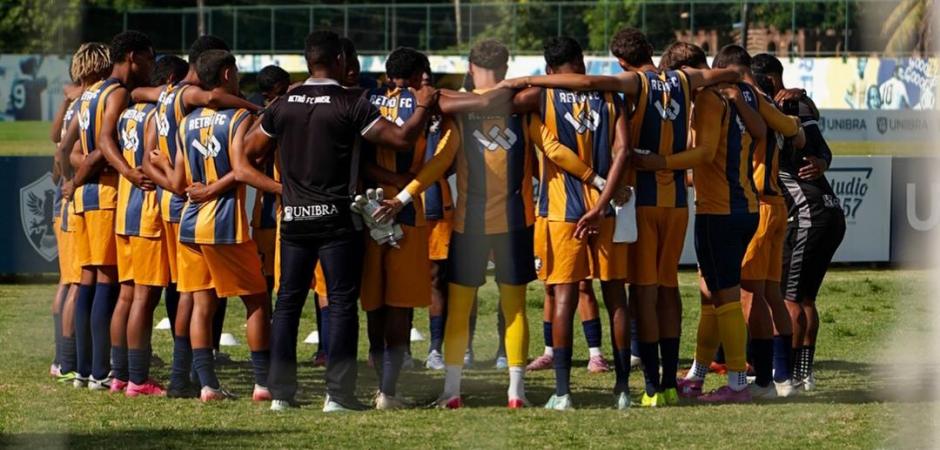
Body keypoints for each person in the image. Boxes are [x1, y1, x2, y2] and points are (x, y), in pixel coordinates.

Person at [499, 28, 739, 407]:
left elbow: (577, 91)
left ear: (622, 61)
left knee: (616, 292)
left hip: (613, 203)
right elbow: (722, 75)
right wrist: (737, 82)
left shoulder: (621, 85)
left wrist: (526, 79)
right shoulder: (675, 80)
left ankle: (634, 388)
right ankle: (649, 385)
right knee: (657, 289)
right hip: (666, 201)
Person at [238, 31, 437, 412]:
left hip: (294, 218)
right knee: (343, 304)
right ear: (343, 60)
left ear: (308, 60)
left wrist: (281, 189)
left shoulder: (282, 104)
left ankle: (281, 394)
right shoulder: (352, 101)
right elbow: (399, 138)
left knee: (288, 304)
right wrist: (424, 105)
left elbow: (246, 153)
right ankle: (338, 397)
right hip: (336, 218)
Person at [377, 39, 541, 409]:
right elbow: (553, 151)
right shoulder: (523, 108)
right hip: (517, 223)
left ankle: (452, 392)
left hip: (470, 225)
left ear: (470, 68)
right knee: (515, 306)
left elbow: (438, 164)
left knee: (460, 307)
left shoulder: (459, 110)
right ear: (506, 64)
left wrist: (403, 196)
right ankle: (517, 393)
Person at [136, 35, 260, 398]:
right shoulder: (189, 95)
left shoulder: (163, 97)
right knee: (193, 294)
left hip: (173, 198)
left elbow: (148, 154)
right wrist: (254, 109)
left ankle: (186, 375)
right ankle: (183, 373)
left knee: (188, 292)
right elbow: (214, 98)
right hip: (191, 203)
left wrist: (164, 178)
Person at [644, 42, 762, 403]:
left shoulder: (709, 100)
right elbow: (765, 131)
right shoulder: (737, 96)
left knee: (724, 295)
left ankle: (739, 381)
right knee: (711, 295)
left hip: (719, 212)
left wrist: (659, 162)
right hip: (745, 206)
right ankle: (697, 373)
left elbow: (706, 153)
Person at [60, 31, 156, 391]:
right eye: (149, 56)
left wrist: (73, 177)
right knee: (105, 282)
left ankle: (85, 369)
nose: (151, 64)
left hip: (86, 197)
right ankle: (101, 371)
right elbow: (104, 143)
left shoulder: (88, 95)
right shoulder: (116, 92)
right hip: (104, 192)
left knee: (87, 280)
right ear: (132, 56)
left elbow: (65, 146)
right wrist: (124, 171)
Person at [713, 45, 805, 398]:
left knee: (751, 296)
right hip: (779, 203)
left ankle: (763, 380)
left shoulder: (741, 98)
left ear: (729, 71)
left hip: (758, 205)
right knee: (772, 294)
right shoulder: (766, 100)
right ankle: (784, 378)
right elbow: (796, 133)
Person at [752, 53, 846, 391]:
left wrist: (821, 161)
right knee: (805, 299)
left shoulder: (785, 107)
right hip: (829, 209)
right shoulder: (793, 105)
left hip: (809, 212)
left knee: (788, 298)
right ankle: (804, 373)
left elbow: (822, 149)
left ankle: (786, 374)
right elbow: (820, 144)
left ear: (772, 78)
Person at [359, 46, 437, 409]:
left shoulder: (367, 99)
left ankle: (378, 384)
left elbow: (359, 161)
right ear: (422, 73)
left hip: (368, 211)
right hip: (406, 210)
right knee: (400, 306)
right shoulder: (427, 103)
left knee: (374, 303)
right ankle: (389, 391)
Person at [104, 62, 171, 396]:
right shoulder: (158, 113)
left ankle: (119, 374)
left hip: (124, 211)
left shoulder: (128, 110)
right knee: (144, 297)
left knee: (127, 295)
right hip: (147, 210)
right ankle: (138, 378)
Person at [51, 43, 111, 385]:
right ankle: (71, 358)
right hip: (87, 197)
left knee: (71, 280)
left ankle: (67, 357)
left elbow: (58, 147)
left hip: (71, 199)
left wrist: (66, 177)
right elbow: (65, 150)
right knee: (79, 281)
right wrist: (75, 179)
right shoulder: (97, 100)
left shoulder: (77, 105)